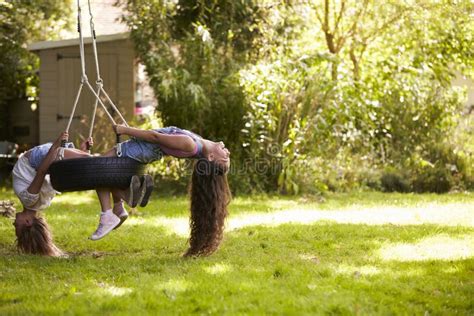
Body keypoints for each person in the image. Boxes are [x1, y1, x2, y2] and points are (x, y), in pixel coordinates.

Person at [101, 125, 232, 256]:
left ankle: (116, 204)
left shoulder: (190, 144)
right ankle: (119, 205)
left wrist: (125, 130)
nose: (228, 153)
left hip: (141, 149)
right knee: (104, 172)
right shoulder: (199, 144)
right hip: (143, 149)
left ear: (210, 157)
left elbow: (156, 137)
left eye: (225, 158)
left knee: (99, 167)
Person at [12, 132, 147, 256]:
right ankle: (121, 201)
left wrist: (56, 147)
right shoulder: (34, 202)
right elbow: (45, 172)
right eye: (16, 225)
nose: (13, 223)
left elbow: (42, 171)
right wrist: (75, 149)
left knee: (94, 163)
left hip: (37, 159)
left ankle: (123, 197)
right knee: (92, 165)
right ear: (28, 222)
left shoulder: (32, 201)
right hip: (39, 160)